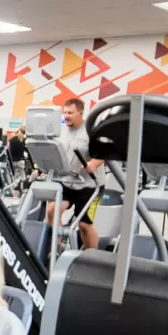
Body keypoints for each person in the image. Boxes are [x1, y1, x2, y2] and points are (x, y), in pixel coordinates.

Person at [55, 98, 104, 249]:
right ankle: (56, 248)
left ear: (80, 113)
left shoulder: (91, 131)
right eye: (64, 112)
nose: (66, 116)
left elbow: (103, 153)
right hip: (68, 181)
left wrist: (93, 164)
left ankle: (92, 257)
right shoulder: (61, 131)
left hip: (90, 185)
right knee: (52, 210)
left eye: (70, 113)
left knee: (84, 224)